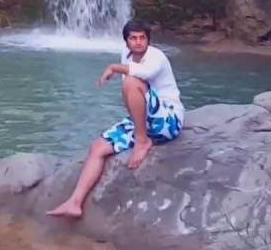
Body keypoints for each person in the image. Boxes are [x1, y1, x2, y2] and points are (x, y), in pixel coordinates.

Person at [47, 19, 185, 219]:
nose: (138, 42)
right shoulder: (127, 56)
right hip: (144, 120)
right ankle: (74, 202)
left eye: (142, 38)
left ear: (148, 40)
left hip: (168, 119)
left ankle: (143, 140)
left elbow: (144, 74)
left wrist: (113, 67)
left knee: (131, 80)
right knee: (97, 147)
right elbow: (130, 94)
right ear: (126, 42)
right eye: (133, 38)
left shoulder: (157, 56)